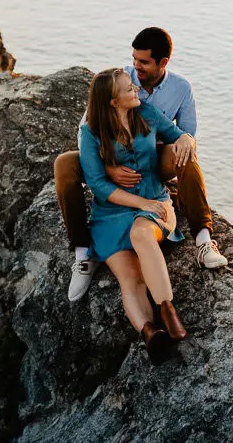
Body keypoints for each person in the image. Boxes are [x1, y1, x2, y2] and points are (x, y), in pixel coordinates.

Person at [53, 27, 227, 303]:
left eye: (143, 62)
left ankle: (204, 241)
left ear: (163, 63)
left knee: (186, 153)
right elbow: (86, 128)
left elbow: (188, 134)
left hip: (155, 160)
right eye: (134, 59)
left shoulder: (181, 89)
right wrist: (107, 168)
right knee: (64, 164)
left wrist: (186, 141)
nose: (136, 67)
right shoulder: (119, 79)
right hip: (112, 158)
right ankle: (84, 254)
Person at [78, 68, 189, 364]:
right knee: (129, 278)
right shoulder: (90, 131)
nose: (137, 91)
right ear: (114, 102)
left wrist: (186, 142)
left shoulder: (148, 113)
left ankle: (167, 308)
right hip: (110, 213)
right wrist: (139, 201)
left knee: (141, 234)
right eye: (129, 89)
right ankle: (150, 332)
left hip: (155, 201)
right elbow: (98, 184)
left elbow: (179, 136)